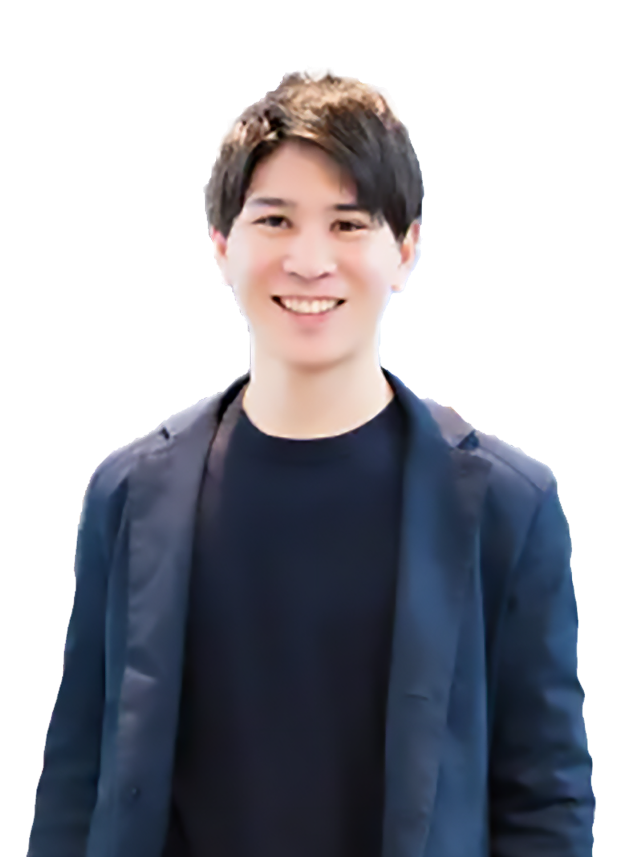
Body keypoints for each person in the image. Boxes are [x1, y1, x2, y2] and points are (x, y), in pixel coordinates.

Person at [27, 66, 594, 856]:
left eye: (349, 223)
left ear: (407, 251)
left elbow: (544, 800)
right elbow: (76, 776)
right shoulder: (128, 493)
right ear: (222, 246)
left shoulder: (506, 505)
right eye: (276, 220)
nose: (309, 259)